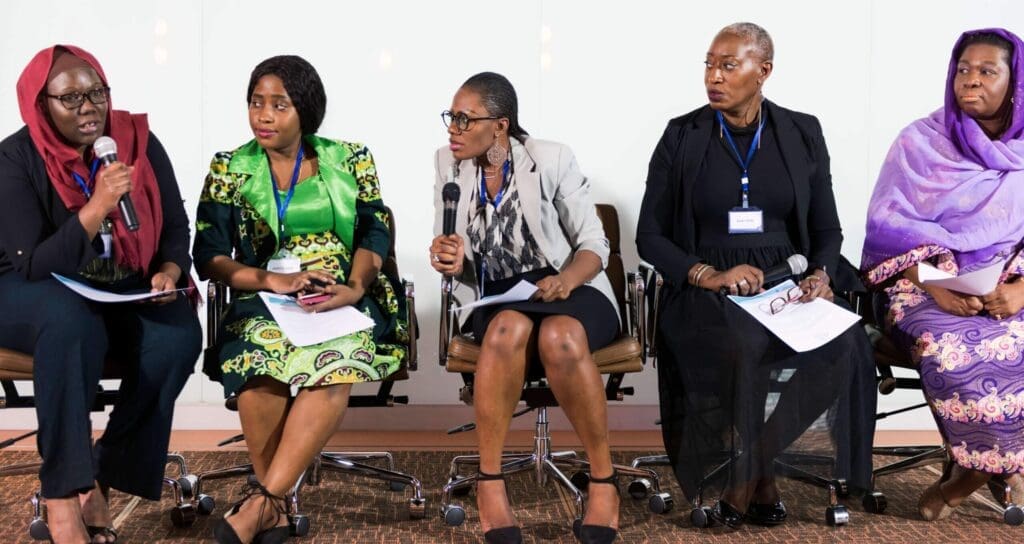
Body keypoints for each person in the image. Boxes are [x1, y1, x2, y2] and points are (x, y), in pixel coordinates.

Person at [636, 23, 876, 528]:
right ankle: (758, 480)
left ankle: (746, 473)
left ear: (763, 71)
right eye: (709, 63)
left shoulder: (802, 131)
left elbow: (826, 227)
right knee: (742, 344)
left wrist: (821, 274)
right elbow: (650, 236)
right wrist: (708, 275)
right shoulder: (682, 134)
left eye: (728, 65)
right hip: (707, 290)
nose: (713, 76)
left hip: (784, 283)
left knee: (847, 347)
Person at [194, 55, 409, 544]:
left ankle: (261, 505)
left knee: (334, 364)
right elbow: (207, 253)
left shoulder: (351, 157)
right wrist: (270, 282)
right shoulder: (231, 167)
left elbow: (375, 232)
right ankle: (274, 507)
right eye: (256, 103)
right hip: (265, 294)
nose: (263, 116)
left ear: (306, 111)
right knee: (257, 365)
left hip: (341, 293)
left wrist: (353, 288)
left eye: (279, 105)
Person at [0, 45, 201, 544]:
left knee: (175, 336)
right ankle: (62, 498)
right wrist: (98, 205)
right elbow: (35, 264)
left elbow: (176, 226)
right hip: (24, 291)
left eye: (96, 93)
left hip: (115, 288)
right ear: (40, 103)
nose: (88, 107)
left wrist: (171, 270)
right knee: (69, 320)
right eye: (70, 98)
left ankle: (102, 481)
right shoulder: (14, 158)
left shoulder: (137, 142)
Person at [429, 72, 621, 544]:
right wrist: (451, 259)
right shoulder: (448, 165)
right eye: (450, 117)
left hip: (572, 287)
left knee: (561, 334)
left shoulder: (550, 158)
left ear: (500, 126)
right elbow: (459, 253)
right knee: (504, 331)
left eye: (463, 118)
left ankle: (603, 480)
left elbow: (595, 244)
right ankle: (490, 483)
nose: (452, 129)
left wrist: (566, 280)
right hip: (500, 296)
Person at [862, 28, 1024, 520]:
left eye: (987, 71)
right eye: (963, 70)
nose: (970, 81)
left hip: (1011, 285)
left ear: (1015, 83)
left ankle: (972, 473)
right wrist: (936, 282)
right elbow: (886, 227)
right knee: (952, 346)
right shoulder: (920, 141)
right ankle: (985, 468)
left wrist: (1020, 291)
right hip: (925, 285)